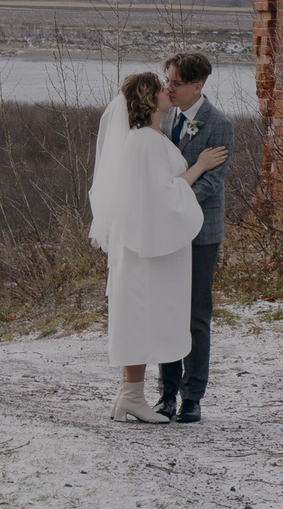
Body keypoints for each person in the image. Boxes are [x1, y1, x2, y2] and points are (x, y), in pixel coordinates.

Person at [88, 70, 226, 424]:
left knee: (140, 315)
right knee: (139, 316)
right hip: (142, 251)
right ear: (148, 100)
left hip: (140, 246)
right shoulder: (146, 142)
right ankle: (132, 395)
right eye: (160, 87)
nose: (168, 90)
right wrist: (199, 166)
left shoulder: (148, 136)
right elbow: (164, 193)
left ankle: (129, 396)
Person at [153, 51, 233, 423]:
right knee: (167, 310)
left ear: (197, 86)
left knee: (196, 315)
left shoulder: (219, 124)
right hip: (167, 232)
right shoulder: (165, 116)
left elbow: (212, 184)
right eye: (167, 80)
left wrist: (173, 201)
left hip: (201, 231)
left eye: (175, 83)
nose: (167, 87)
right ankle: (166, 393)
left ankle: (193, 396)